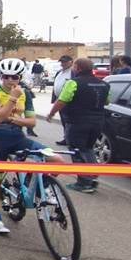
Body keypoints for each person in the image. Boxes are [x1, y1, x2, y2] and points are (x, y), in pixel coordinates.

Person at [0, 58, 65, 234]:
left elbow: (32, 122)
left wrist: (11, 117)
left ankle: (33, 184)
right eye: (6, 76)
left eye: (15, 77)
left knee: (57, 160)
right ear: (1, 76)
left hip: (17, 137)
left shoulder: (26, 93)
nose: (10, 80)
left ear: (20, 76)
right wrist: (12, 99)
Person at [46, 58, 110, 193]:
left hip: (77, 122)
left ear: (78, 68)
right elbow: (107, 101)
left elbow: (62, 100)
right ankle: (92, 177)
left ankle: (83, 182)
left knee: (76, 150)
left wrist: (51, 114)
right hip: (98, 122)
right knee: (88, 148)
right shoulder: (104, 84)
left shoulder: (73, 83)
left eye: (75, 66)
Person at [52, 55, 74, 146]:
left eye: (65, 62)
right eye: (61, 62)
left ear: (71, 62)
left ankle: (70, 139)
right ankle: (66, 137)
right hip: (59, 99)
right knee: (64, 121)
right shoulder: (59, 72)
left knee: (69, 121)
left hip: (68, 101)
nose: (62, 64)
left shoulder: (73, 73)